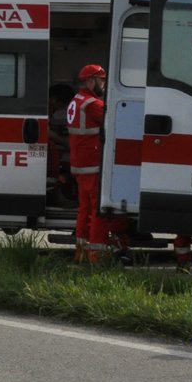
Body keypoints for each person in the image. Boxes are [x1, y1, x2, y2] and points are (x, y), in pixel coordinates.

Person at [66, 64, 120, 263]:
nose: (104, 84)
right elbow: (113, 124)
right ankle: (95, 256)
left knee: (84, 209)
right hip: (92, 164)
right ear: (91, 81)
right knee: (98, 210)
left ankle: (80, 252)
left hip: (80, 164)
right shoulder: (92, 104)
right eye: (102, 80)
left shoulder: (76, 101)